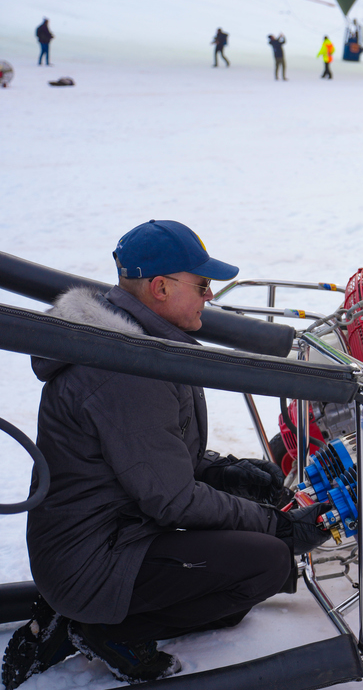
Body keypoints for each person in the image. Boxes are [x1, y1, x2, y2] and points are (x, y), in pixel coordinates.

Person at [1, 220, 331, 688]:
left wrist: (233, 474)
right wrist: (277, 525)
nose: (209, 296)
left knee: (242, 575)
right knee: (267, 562)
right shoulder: (126, 372)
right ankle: (105, 631)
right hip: (92, 559)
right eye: (201, 284)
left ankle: (78, 614)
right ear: (159, 287)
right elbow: (171, 499)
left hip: (101, 535)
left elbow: (160, 458)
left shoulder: (134, 345)